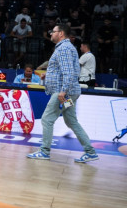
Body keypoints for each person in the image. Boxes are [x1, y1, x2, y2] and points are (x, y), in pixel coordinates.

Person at [27, 24, 99, 163]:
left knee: (47, 119)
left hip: (64, 93)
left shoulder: (64, 48)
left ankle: (44, 151)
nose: (50, 33)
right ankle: (90, 152)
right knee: (71, 121)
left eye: (52, 31)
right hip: (69, 92)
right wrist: (48, 75)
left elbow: (69, 72)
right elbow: (65, 70)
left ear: (60, 33)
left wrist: (63, 91)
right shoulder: (66, 47)